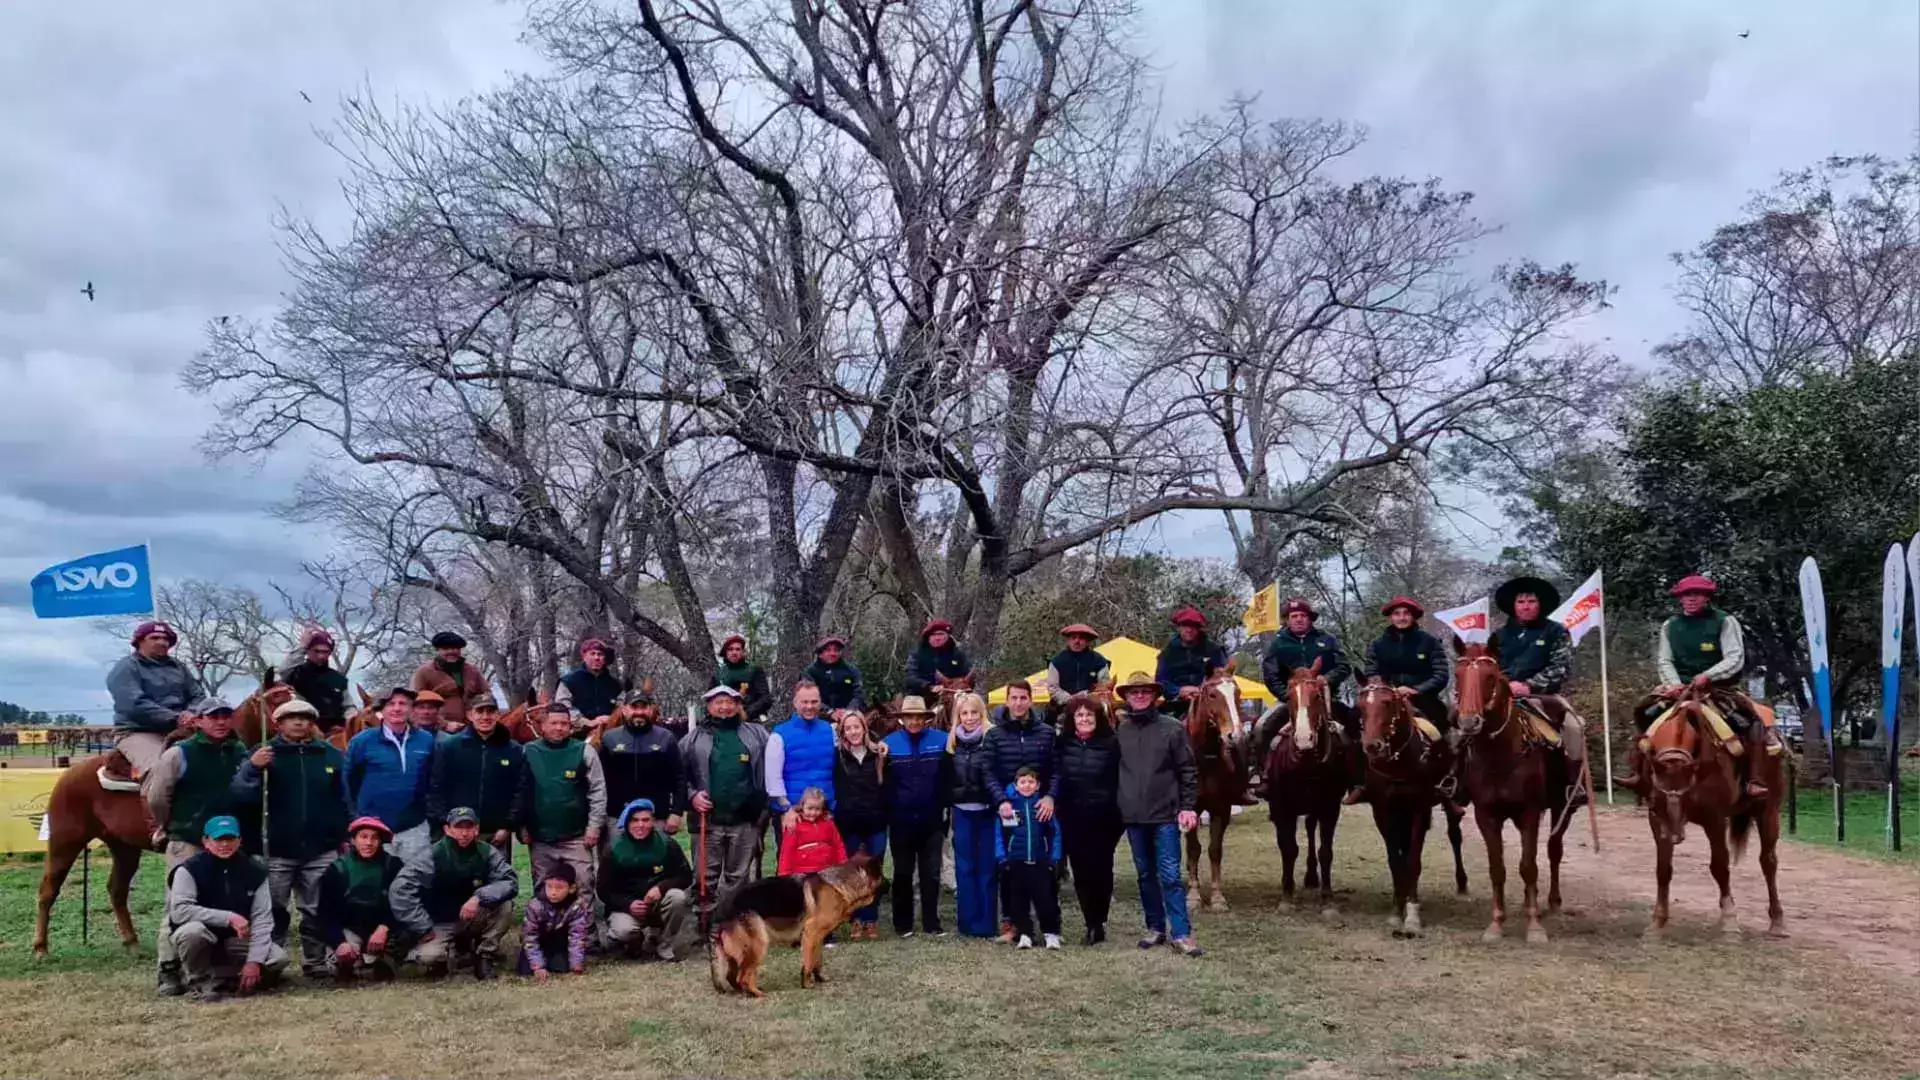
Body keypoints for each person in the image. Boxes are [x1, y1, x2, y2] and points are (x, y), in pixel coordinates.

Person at [230, 698, 351, 979]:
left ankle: (315, 961)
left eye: (305, 718)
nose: (299, 722)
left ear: (312, 723)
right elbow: (238, 795)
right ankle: (274, 962)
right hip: (276, 849)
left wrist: (341, 834)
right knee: (273, 909)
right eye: (291, 718)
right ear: (278, 723)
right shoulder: (261, 754)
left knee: (317, 908)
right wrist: (252, 768)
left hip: (321, 849)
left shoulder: (330, 755)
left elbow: (344, 799)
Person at [1622, 575, 1774, 797]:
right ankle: (1637, 774)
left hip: (1717, 689)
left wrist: (1708, 675)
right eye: (1686, 595)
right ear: (1680, 599)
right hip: (1678, 689)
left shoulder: (1725, 621)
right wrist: (1673, 684)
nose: (1691, 599)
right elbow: (1665, 659)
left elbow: (1734, 657)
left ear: (1707, 597)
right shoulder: (1670, 626)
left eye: (1697, 594)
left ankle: (1752, 780)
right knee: (1642, 711)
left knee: (1751, 720)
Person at [146, 695, 249, 996]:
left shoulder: (239, 751)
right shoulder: (179, 754)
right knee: (177, 906)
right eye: (213, 716)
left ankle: (216, 968)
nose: (220, 722)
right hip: (188, 841)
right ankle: (168, 969)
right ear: (199, 721)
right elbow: (157, 797)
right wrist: (172, 827)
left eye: (225, 716)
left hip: (228, 841)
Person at [1112, 672, 1202, 957]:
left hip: (1165, 814)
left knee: (1170, 876)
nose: (1139, 696)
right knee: (1145, 875)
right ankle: (1155, 927)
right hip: (1134, 816)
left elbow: (1188, 770)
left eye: (1145, 691)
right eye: (1134, 692)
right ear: (1126, 696)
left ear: (1154, 695)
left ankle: (1182, 933)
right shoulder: (1120, 731)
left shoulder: (1172, 728)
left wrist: (1188, 806)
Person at [165, 814, 288, 1001]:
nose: (224, 844)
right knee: (192, 932)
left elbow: (263, 918)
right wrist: (228, 917)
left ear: (239, 841)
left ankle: (233, 978)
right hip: (203, 937)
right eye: (218, 839)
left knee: (279, 958)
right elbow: (180, 911)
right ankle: (199, 982)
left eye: (230, 838)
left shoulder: (255, 871)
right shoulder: (188, 870)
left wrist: (254, 961)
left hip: (235, 940)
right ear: (206, 841)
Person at [1493, 576, 1587, 810]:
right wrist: (1505, 686)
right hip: (1504, 695)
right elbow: (1490, 668)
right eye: (1521, 601)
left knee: (1575, 727)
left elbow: (1560, 668)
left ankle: (1574, 783)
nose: (1526, 606)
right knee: (1467, 724)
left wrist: (1529, 686)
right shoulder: (1499, 636)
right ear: (1514, 606)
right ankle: (1458, 780)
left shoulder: (1557, 631)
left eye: (1531, 601)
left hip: (1544, 696)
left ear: (1540, 604)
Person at [390, 806, 518, 980]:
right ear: (447, 829)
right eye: (458, 827)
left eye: (468, 827)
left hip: (473, 915)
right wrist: (422, 925)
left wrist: (479, 897)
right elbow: (400, 889)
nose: (464, 833)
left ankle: (485, 957)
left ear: (476, 829)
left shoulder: (487, 852)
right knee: (428, 956)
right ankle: (443, 960)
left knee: (505, 905)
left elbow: (509, 881)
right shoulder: (432, 855)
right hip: (441, 920)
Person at [681, 685, 769, 921]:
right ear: (708, 706)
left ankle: (730, 921)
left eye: (730, 701)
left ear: (738, 704)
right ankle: (705, 922)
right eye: (718, 702)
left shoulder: (757, 734)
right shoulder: (693, 739)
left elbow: (769, 769)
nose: (725, 707)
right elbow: (680, 775)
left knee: (737, 876)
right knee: (704, 877)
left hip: (744, 818)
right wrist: (692, 796)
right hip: (707, 819)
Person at [1351, 596, 1450, 804]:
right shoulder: (1377, 645)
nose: (1402, 617)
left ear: (1413, 617)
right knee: (1353, 727)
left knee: (1444, 730)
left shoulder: (1430, 642)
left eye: (1406, 613)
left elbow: (1440, 675)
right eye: (1397, 614)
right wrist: (1390, 691)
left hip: (1423, 700)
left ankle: (1446, 784)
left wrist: (1416, 689)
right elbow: (1371, 673)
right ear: (1390, 618)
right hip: (1385, 700)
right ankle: (1361, 783)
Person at [981, 679, 1056, 943]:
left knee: (1044, 866)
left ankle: (1049, 926)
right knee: (1010, 867)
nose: (1018, 703)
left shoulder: (1045, 733)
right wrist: (1001, 799)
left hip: (1040, 809)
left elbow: (1056, 770)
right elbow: (987, 771)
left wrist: (1049, 797)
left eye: (1023, 698)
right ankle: (1012, 924)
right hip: (1008, 808)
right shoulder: (995, 735)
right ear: (1007, 700)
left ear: (1030, 700)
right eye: (1013, 698)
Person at [513, 702, 607, 888]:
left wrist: (594, 826)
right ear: (542, 725)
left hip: (577, 836)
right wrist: (520, 826)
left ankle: (583, 917)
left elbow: (598, 791)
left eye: (564, 724)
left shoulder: (584, 751)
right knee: (544, 887)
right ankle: (543, 918)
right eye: (553, 723)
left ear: (570, 726)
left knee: (584, 883)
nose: (559, 728)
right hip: (540, 837)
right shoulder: (527, 751)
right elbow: (519, 792)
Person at [1052, 694, 1121, 945]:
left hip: (1105, 818)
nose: (1084, 719)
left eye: (1089, 715)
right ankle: (1091, 923)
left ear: (1097, 718)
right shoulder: (1062, 744)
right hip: (1072, 817)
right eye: (1079, 715)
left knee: (1102, 870)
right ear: (1073, 719)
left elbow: (1119, 780)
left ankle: (1101, 918)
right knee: (1081, 872)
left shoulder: (1111, 744)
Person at [106, 619, 203, 794]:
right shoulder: (126, 667)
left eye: (166, 639)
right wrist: (176, 718)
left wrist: (192, 713)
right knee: (160, 771)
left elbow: (198, 694)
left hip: (183, 728)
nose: (162, 642)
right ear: (139, 641)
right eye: (155, 637)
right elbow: (133, 704)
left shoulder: (179, 667)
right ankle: (156, 820)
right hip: (139, 731)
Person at [882, 696, 949, 938]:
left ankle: (932, 922)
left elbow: (949, 778)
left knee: (930, 872)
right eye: (909, 716)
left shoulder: (942, 741)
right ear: (902, 718)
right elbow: (883, 783)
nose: (914, 721)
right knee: (902, 872)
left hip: (932, 818)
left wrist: (945, 809)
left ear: (925, 718)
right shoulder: (888, 744)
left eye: (918, 717)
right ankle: (903, 924)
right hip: (900, 820)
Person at [345, 688, 437, 860]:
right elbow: (349, 782)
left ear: (411, 709)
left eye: (403, 704)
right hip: (374, 828)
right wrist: (356, 819)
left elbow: (432, 779)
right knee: (377, 882)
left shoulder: (426, 740)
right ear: (382, 709)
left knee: (416, 880)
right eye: (391, 704)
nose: (397, 708)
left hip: (414, 826)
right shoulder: (362, 741)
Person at [315, 816, 408, 984]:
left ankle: (384, 960)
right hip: (350, 929)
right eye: (363, 837)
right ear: (353, 840)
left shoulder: (393, 866)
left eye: (374, 838)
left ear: (381, 841)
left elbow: (403, 904)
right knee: (341, 961)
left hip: (384, 932)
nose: (369, 843)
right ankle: (355, 963)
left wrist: (385, 927)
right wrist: (340, 942)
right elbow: (324, 913)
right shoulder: (336, 869)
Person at [427, 695, 522, 858]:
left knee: (498, 882)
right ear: (470, 715)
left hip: (496, 835)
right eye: (480, 711)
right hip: (456, 832)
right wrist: (446, 823)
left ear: (498, 715)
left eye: (491, 711)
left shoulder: (513, 749)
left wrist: (507, 826)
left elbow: (520, 790)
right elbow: (436, 787)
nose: (485, 717)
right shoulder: (450, 747)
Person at [599, 799, 693, 961]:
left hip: (658, 902)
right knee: (623, 931)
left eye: (645, 820)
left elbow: (686, 876)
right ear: (627, 823)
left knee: (678, 897)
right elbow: (603, 890)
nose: (640, 825)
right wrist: (628, 904)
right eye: (635, 820)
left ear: (653, 822)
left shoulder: (667, 844)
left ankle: (664, 944)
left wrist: (661, 888)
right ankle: (634, 942)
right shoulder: (613, 850)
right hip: (627, 908)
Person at [597, 688, 684, 855]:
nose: (639, 712)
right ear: (624, 710)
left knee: (655, 864)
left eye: (643, 708)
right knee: (615, 864)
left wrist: (677, 812)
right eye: (634, 708)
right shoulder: (609, 739)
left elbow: (679, 778)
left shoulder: (666, 738)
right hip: (616, 817)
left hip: (655, 817)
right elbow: (598, 781)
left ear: (651, 710)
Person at [831, 710, 888, 938]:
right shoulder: (838, 757)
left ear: (865, 728)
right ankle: (854, 919)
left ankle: (870, 920)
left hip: (876, 821)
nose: (853, 732)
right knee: (854, 874)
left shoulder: (879, 755)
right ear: (843, 733)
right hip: (849, 823)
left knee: (874, 872)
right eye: (849, 728)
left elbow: (888, 785)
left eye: (857, 727)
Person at [945, 693, 998, 938]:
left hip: (987, 811)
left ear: (981, 714)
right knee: (965, 868)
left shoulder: (992, 739)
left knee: (987, 867)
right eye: (964, 713)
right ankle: (967, 923)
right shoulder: (952, 744)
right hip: (962, 812)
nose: (969, 718)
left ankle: (987, 923)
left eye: (973, 713)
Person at [997, 766, 1064, 950]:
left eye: (1031, 782)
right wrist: (1002, 858)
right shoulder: (1009, 807)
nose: (1027, 785)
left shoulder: (1042, 806)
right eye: (1023, 782)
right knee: (1019, 901)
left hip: (1039, 861)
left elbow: (1055, 833)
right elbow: (1000, 834)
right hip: (1016, 861)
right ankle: (1026, 934)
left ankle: (1051, 933)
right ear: (1016, 785)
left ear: (1037, 785)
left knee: (1045, 899)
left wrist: (1054, 858)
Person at [766, 681, 836, 852]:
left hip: (824, 812)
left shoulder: (831, 731)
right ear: (795, 702)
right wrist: (786, 809)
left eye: (814, 702)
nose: (809, 706)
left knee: (825, 864)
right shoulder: (779, 734)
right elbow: (772, 778)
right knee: (791, 869)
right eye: (804, 702)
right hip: (792, 813)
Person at [518, 862, 592, 982]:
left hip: (559, 943)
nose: (553, 892)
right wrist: (537, 966)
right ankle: (538, 961)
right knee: (526, 970)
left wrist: (576, 963)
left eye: (559, 888)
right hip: (538, 942)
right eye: (549, 886)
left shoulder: (577, 907)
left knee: (562, 968)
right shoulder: (535, 906)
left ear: (572, 888)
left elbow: (577, 937)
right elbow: (530, 937)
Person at [1155, 607, 1230, 719]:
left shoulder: (1214, 649)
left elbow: (1224, 678)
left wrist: (1202, 689)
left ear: (1199, 628)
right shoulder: (1167, 652)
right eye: (1185, 626)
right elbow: (1161, 681)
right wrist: (1179, 691)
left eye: (1193, 626)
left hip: (1210, 702)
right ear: (1179, 627)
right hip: (1175, 704)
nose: (1189, 630)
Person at [411, 631, 491, 730]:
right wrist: (444, 724)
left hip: (471, 727)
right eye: (446, 649)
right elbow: (416, 704)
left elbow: (486, 695)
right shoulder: (424, 672)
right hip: (439, 729)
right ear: (438, 650)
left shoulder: (472, 671)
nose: (451, 651)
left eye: (455, 648)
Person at [280, 627, 351, 735]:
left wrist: (351, 722)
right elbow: (283, 671)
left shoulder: (338, 679)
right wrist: (302, 646)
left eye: (325, 652)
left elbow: (348, 706)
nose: (321, 656)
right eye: (316, 651)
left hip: (336, 733)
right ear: (308, 651)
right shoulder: (295, 673)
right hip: (302, 732)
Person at [557, 637, 625, 731]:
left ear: (604, 658)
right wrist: (586, 722)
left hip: (610, 730)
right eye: (592, 654)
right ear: (584, 656)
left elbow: (623, 707)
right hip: (576, 732)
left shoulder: (615, 684)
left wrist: (610, 718)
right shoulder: (569, 681)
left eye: (600, 654)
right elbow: (562, 706)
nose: (596, 658)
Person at [776, 787, 847, 874]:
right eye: (810, 808)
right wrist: (784, 874)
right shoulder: (794, 825)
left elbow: (838, 845)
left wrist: (844, 865)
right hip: (802, 873)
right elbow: (787, 852)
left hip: (827, 871)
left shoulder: (828, 824)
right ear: (802, 806)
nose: (813, 813)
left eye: (817, 809)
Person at [902, 619, 973, 699]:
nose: (937, 638)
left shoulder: (958, 655)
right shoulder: (917, 654)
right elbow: (910, 678)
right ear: (928, 637)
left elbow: (968, 676)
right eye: (933, 635)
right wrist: (929, 687)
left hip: (951, 696)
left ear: (948, 636)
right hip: (920, 698)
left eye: (941, 634)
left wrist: (954, 685)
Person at [710, 634, 773, 723]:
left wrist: (747, 713)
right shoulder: (718, 674)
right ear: (725, 652)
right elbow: (710, 700)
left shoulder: (754, 670)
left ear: (743, 651)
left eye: (737, 649)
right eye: (730, 649)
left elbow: (766, 698)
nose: (734, 652)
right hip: (723, 721)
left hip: (750, 721)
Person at [802, 635, 866, 720]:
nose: (833, 653)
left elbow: (859, 694)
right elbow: (808, 696)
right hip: (818, 718)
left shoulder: (852, 670)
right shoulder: (809, 672)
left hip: (850, 717)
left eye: (836, 650)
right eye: (828, 650)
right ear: (820, 654)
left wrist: (849, 711)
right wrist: (829, 712)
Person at [1044, 624, 1111, 701]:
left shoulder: (1099, 661)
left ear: (1087, 640)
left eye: (1081, 638)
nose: (1077, 641)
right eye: (1073, 638)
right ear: (1068, 640)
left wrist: (1087, 696)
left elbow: (1104, 686)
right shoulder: (1057, 662)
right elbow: (1053, 688)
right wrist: (1070, 699)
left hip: (1091, 706)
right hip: (1063, 707)